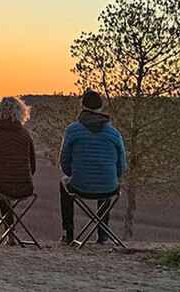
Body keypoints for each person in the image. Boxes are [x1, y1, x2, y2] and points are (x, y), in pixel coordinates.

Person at [59, 90, 127, 244]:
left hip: (79, 186)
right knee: (107, 184)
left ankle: (68, 234)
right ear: (100, 108)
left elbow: (64, 162)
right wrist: (112, 176)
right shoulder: (114, 133)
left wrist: (72, 174)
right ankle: (102, 234)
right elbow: (122, 167)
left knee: (63, 183)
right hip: (108, 188)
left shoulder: (72, 130)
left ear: (82, 106)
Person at [0, 96, 35, 241]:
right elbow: (32, 167)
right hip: (25, 188)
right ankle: (10, 233)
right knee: (2, 186)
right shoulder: (25, 135)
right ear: (21, 112)